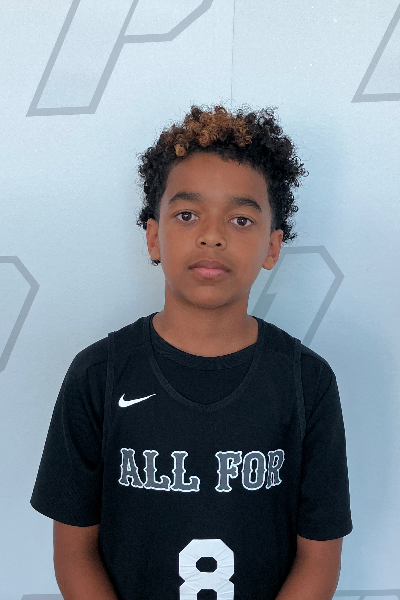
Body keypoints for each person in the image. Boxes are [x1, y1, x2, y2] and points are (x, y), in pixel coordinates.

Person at [30, 104, 352, 600]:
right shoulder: (98, 375)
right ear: (154, 236)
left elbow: (319, 557)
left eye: (241, 219)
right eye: (187, 214)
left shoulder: (307, 382)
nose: (212, 235)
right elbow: (74, 552)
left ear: (272, 247)